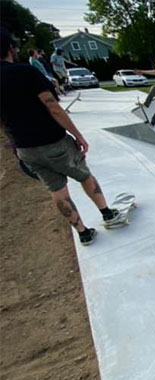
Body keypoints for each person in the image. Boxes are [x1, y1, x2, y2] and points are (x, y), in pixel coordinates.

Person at [0, 28, 122, 246]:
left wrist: (15, 144)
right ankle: (108, 215)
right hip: (52, 141)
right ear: (11, 48)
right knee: (84, 175)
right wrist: (78, 135)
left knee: (57, 190)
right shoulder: (26, 72)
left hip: (25, 149)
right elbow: (53, 106)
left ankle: (83, 233)